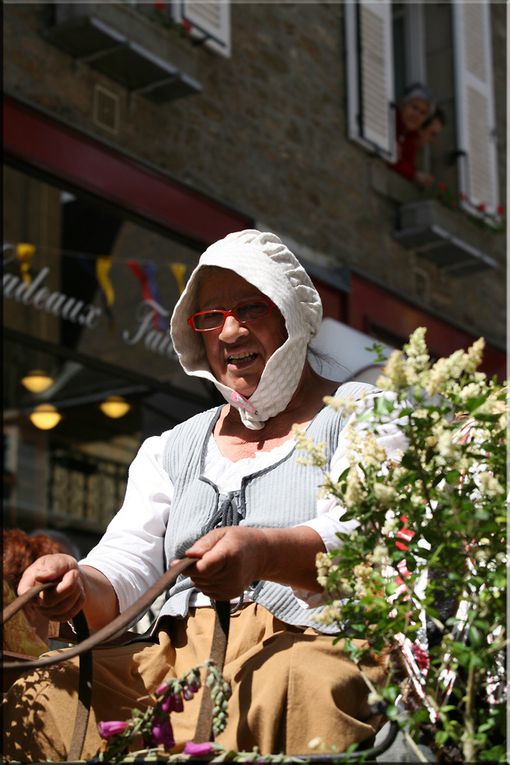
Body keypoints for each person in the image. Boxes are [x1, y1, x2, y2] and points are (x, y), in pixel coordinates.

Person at [3, 230, 405, 761]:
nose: (229, 331)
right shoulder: (171, 449)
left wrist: (262, 552)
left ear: (293, 316)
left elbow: (363, 542)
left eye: (249, 309)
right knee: (33, 691)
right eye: (209, 317)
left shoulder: (361, 414)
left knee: (290, 678)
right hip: (171, 666)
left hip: (309, 643)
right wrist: (78, 582)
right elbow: (126, 564)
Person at [390, 82, 435, 189]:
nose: (417, 115)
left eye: (423, 113)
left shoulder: (411, 139)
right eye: (414, 107)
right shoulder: (390, 121)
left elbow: (404, 165)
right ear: (403, 105)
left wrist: (415, 175)